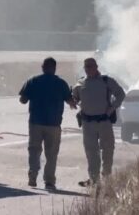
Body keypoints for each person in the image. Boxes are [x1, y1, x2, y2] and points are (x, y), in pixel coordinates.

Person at [19, 57, 76, 190]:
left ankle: (33, 176)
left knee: (34, 150)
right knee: (51, 154)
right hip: (53, 124)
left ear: (42, 67)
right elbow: (71, 102)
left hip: (35, 123)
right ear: (54, 68)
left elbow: (22, 100)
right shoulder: (61, 83)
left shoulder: (33, 81)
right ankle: (49, 181)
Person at [72, 58, 125, 187]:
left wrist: (112, 108)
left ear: (96, 67)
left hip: (104, 121)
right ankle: (94, 179)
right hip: (88, 123)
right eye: (86, 67)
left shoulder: (106, 81)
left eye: (91, 66)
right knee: (91, 152)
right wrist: (73, 102)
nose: (89, 69)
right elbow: (74, 97)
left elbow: (120, 94)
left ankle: (106, 177)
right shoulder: (80, 83)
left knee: (107, 150)